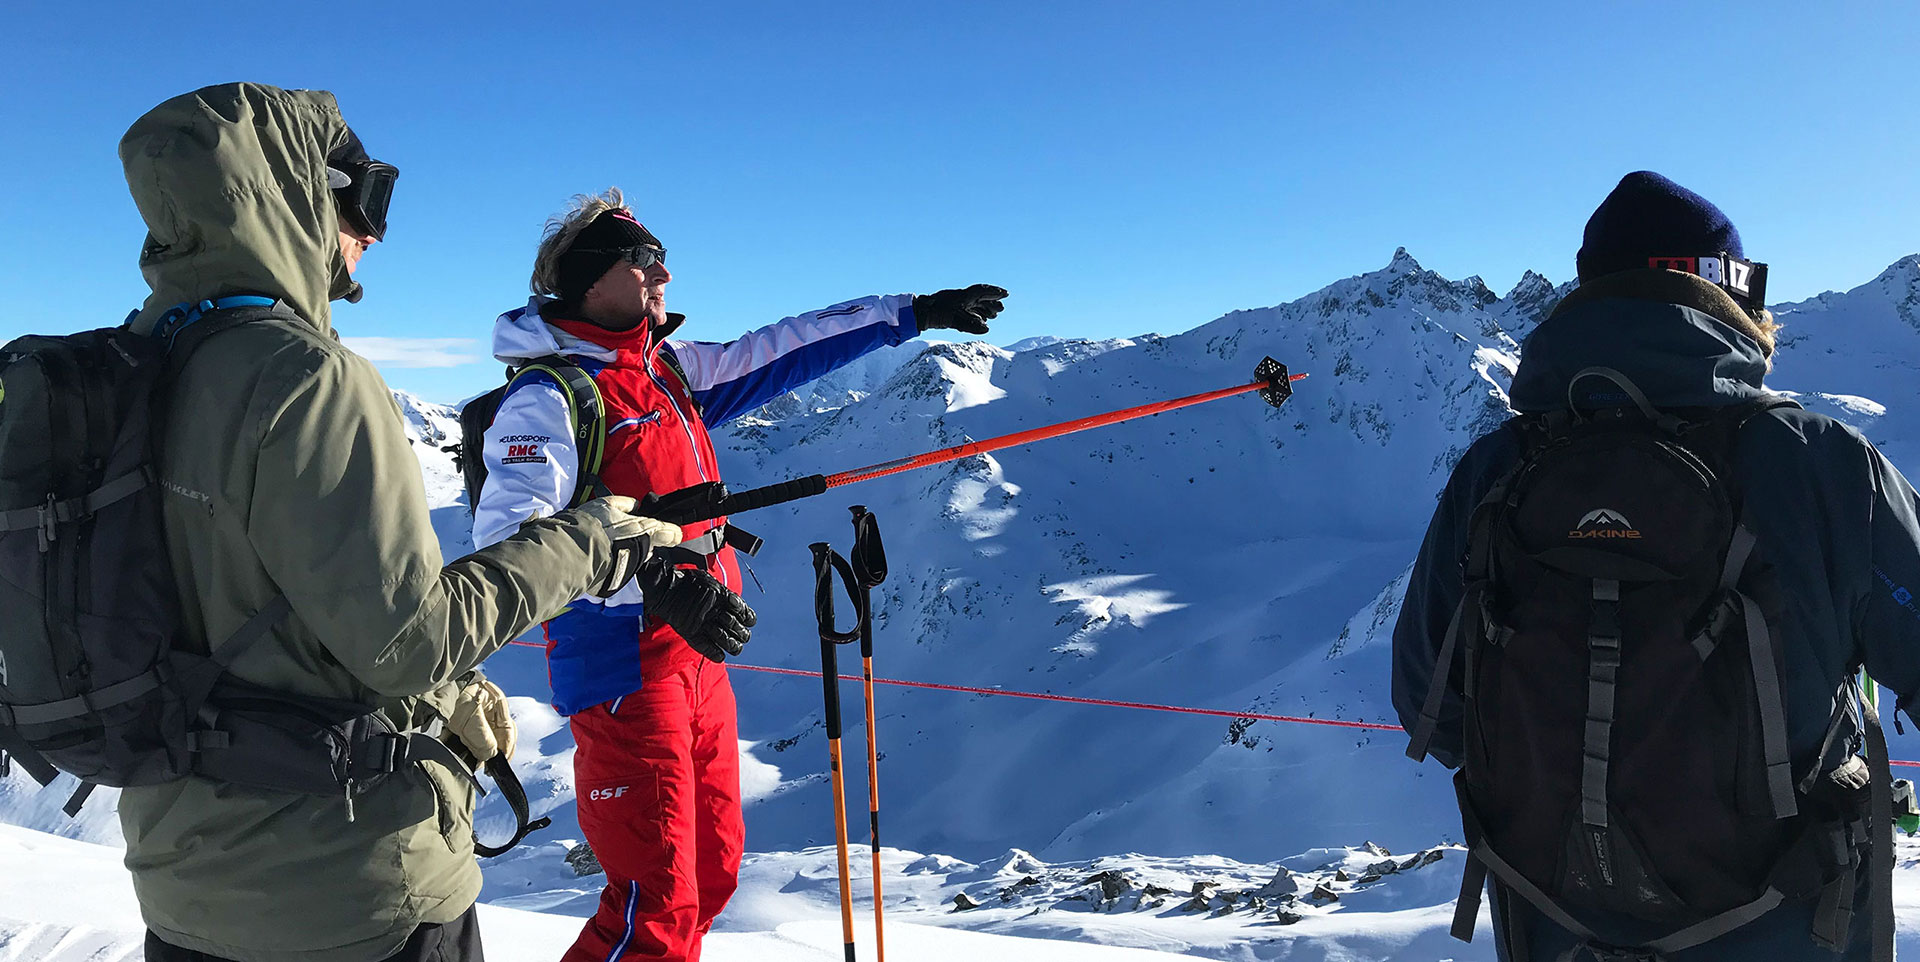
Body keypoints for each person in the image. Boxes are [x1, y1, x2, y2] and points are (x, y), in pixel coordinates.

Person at [117, 83, 678, 962]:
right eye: (359, 194)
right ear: (289, 193)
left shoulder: (125, 368)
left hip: (179, 874)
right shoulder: (307, 381)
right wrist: (594, 541)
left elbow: (243, 606)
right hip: (357, 885)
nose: (373, 227)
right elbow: (407, 643)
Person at [1392, 171, 1919, 961]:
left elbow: (1424, 701)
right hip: (1789, 922)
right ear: (1731, 297)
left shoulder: (1496, 470)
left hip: (1554, 922)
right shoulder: (1824, 468)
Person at [471, 189, 1007, 962]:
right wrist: (648, 577)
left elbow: (786, 347)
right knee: (654, 903)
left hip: (697, 659)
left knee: (710, 876)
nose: (665, 275)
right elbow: (509, 547)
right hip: (621, 667)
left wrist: (912, 313)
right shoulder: (552, 398)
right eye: (646, 260)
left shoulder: (670, 373)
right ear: (596, 279)